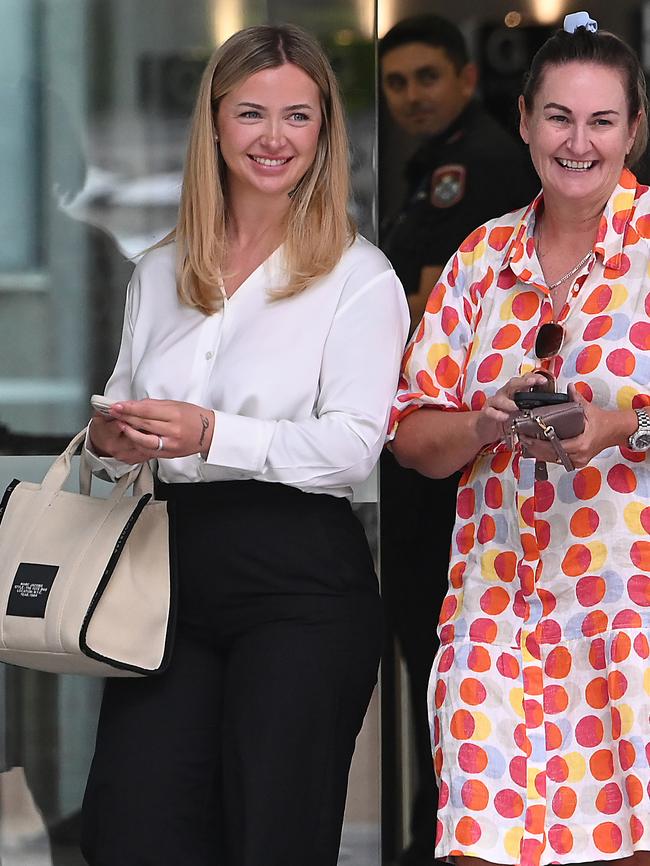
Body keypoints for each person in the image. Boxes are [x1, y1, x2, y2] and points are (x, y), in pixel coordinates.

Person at [79, 24, 409, 866]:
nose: (274, 138)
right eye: (251, 113)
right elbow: (113, 428)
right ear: (215, 125)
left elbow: (354, 448)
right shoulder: (160, 271)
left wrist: (213, 432)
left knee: (272, 841)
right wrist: (112, 440)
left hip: (299, 583)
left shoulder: (358, 277)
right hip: (167, 580)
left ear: (323, 130)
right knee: (130, 834)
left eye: (297, 116)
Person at [391, 12, 650, 866]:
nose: (579, 141)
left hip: (628, 619)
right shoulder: (478, 256)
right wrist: (482, 423)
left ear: (633, 130)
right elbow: (412, 439)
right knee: (479, 846)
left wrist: (619, 423)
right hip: (493, 617)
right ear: (527, 123)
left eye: (601, 120)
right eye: (560, 117)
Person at [378, 16, 539, 866]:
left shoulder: (480, 168)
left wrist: (390, 311)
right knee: (436, 671)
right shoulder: (431, 167)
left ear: (469, 81)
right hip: (435, 455)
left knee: (454, 673)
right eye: (397, 82)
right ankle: (431, 835)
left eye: (427, 78)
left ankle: (437, 839)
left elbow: (445, 316)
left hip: (471, 477)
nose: (411, 96)